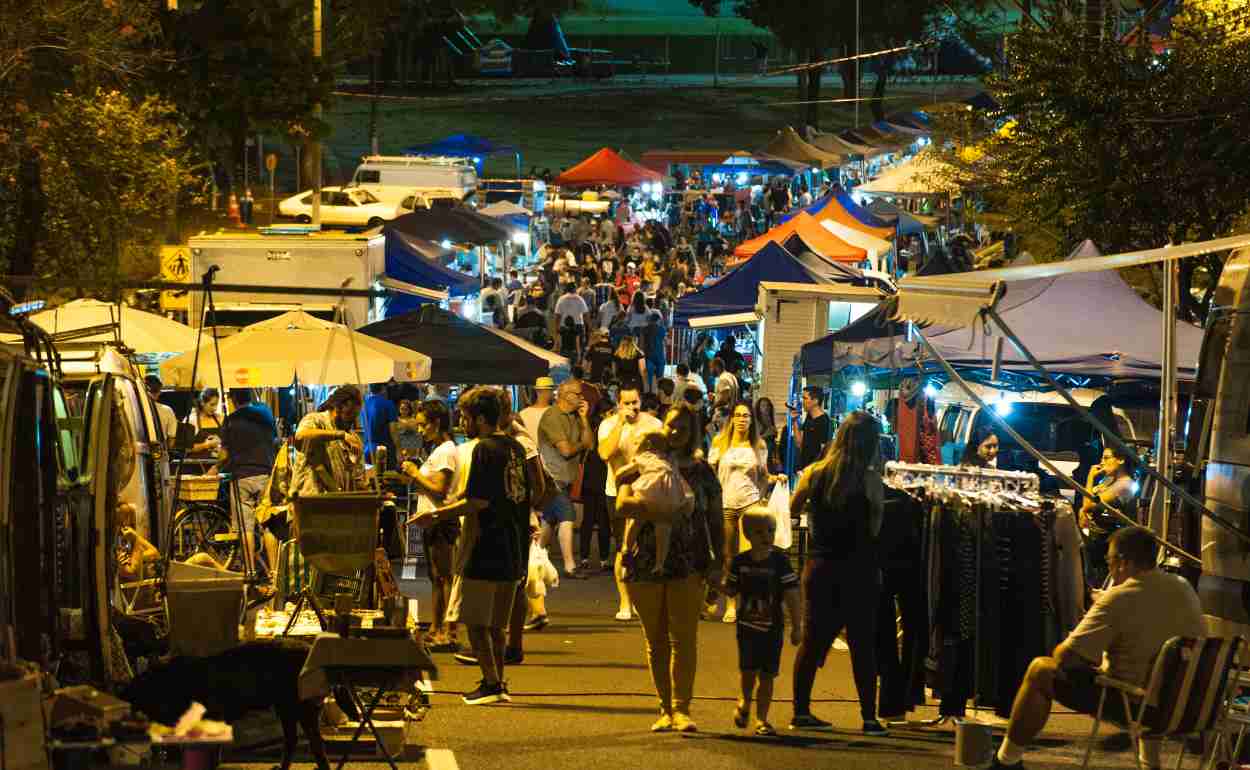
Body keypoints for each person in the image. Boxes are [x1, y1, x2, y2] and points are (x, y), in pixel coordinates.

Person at [989, 526, 1204, 770]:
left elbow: (1065, 658)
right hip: (1188, 705)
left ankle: (1006, 761)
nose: (1110, 568)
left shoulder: (1120, 596)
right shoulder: (1183, 586)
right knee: (1145, 671)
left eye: (1109, 561)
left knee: (1041, 670)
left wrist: (1093, 622)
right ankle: (1150, 763)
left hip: (1139, 706)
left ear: (1122, 562)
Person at [417, 387, 531, 706]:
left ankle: (492, 683)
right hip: (513, 546)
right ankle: (497, 681)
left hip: (484, 545)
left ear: (480, 419)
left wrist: (435, 514)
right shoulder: (516, 449)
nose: (462, 423)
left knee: (477, 624)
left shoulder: (483, 450)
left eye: (466, 417)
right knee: (496, 625)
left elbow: (476, 501)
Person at [618, 397, 718, 733]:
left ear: (693, 432)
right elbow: (623, 506)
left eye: (682, 426)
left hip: (690, 560)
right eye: (670, 424)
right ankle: (664, 707)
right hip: (645, 557)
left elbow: (715, 519)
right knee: (655, 639)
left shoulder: (702, 471)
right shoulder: (643, 461)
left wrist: (721, 561)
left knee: (684, 638)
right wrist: (668, 514)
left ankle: (682, 708)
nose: (674, 431)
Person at [788, 411, 889, 736]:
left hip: (820, 566)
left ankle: (801, 711)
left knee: (813, 641)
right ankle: (869, 718)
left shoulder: (816, 473)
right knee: (862, 645)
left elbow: (792, 507)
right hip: (859, 569)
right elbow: (875, 526)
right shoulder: (870, 480)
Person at [725, 508, 801, 737]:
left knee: (768, 675)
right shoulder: (740, 562)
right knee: (748, 672)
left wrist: (797, 626)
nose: (767, 536)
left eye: (771, 531)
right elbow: (730, 589)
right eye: (759, 532)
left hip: (772, 629)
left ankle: (762, 719)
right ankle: (744, 701)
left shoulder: (780, 562)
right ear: (747, 534)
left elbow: (792, 594)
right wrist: (713, 586)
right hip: (747, 628)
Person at [708, 402, 786, 622]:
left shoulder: (758, 445)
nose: (742, 419)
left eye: (746, 416)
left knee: (750, 556)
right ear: (732, 418)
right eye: (738, 415)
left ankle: (748, 603)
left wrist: (775, 478)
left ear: (752, 420)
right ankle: (731, 604)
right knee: (728, 557)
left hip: (749, 503)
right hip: (725, 505)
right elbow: (710, 471)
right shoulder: (719, 442)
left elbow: (763, 474)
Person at [599, 386, 664, 620]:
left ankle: (642, 598)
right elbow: (605, 453)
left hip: (647, 492)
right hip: (616, 493)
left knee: (644, 546)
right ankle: (625, 602)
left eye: (635, 402)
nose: (632, 407)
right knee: (622, 548)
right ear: (618, 404)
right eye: (626, 403)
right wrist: (620, 423)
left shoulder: (654, 425)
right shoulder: (608, 425)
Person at [400, 399, 460, 652]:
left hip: (440, 519)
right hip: (431, 520)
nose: (421, 430)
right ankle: (437, 628)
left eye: (424, 425)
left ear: (437, 423)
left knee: (443, 576)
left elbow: (440, 490)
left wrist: (415, 473)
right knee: (436, 576)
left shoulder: (446, 450)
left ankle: (447, 631)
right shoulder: (438, 451)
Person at [537, 381, 593, 580]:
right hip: (552, 478)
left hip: (565, 479)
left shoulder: (576, 417)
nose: (582, 398)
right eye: (578, 394)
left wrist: (585, 420)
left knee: (548, 523)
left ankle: (533, 560)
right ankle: (570, 566)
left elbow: (590, 444)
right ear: (566, 395)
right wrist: (582, 444)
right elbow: (566, 450)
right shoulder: (552, 417)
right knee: (567, 517)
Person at [219, 388, 277, 574]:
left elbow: (224, 454)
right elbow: (275, 440)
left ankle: (250, 572)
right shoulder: (266, 414)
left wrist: (218, 465)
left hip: (241, 477)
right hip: (266, 474)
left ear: (233, 398)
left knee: (246, 528)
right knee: (268, 525)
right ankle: (275, 573)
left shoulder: (230, 420)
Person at [1078, 444, 1139, 589]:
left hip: (1107, 542)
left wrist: (1090, 477)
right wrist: (1083, 510)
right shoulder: (1107, 480)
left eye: (1106, 458)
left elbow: (1088, 504)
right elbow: (1086, 504)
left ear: (1121, 460)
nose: (1102, 462)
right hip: (1094, 537)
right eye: (1102, 458)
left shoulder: (1124, 484)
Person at [291, 386, 367, 496]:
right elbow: (300, 437)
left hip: (336, 506)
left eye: (355, 416)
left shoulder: (353, 439)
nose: (352, 421)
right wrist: (340, 435)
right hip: (308, 504)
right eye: (349, 414)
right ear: (337, 408)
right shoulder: (315, 420)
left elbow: (358, 481)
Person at [791, 386, 831, 473]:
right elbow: (799, 443)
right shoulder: (809, 417)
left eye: (805, 398)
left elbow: (824, 450)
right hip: (804, 467)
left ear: (815, 401)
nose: (802, 402)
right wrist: (794, 421)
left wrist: (813, 469)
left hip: (815, 470)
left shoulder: (824, 421)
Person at [364, 383, 398, 466]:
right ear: (383, 388)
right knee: (387, 477)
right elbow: (393, 430)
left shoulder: (364, 403)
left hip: (367, 449)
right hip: (384, 450)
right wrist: (399, 450)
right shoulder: (388, 404)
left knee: (371, 477)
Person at [188, 387, 223, 459]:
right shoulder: (192, 420)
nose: (215, 408)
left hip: (218, 465)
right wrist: (206, 445)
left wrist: (220, 442)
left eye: (216, 404)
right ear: (202, 403)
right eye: (212, 404)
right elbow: (185, 449)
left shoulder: (220, 418)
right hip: (196, 466)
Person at [144, 375, 178, 450]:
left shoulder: (134, 408)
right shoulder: (167, 410)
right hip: (160, 452)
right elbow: (171, 439)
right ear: (159, 392)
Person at [709, 357, 739, 435]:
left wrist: (712, 408)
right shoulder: (731, 376)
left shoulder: (723, 379)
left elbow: (724, 399)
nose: (710, 370)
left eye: (711, 367)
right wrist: (716, 396)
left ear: (717, 367)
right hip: (730, 415)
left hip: (723, 416)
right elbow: (729, 394)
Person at [641, 308, 668, 394]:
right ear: (658, 320)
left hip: (649, 355)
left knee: (649, 376)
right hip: (659, 355)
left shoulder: (645, 329)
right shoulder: (662, 329)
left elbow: (641, 342)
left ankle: (649, 393)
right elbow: (665, 342)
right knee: (660, 377)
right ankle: (660, 393)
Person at [754, 397, 782, 474]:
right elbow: (755, 437)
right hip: (761, 455)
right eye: (763, 405)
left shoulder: (770, 419)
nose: (766, 408)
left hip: (770, 456)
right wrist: (770, 432)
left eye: (767, 405)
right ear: (758, 408)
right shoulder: (756, 420)